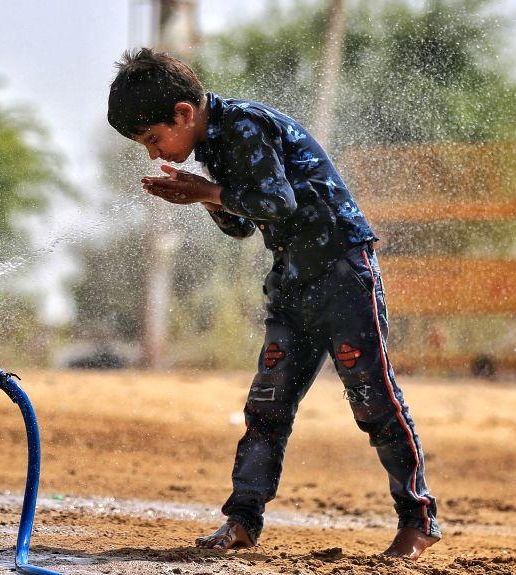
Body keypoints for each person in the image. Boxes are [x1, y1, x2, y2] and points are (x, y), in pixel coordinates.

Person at [107, 48, 441, 559]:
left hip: (343, 273)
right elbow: (243, 225)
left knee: (372, 397)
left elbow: (277, 203)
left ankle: (417, 520)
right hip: (291, 282)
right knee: (266, 406)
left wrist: (209, 191)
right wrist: (201, 196)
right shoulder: (211, 147)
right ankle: (241, 520)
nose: (156, 152)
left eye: (154, 138)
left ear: (183, 113)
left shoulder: (243, 126)